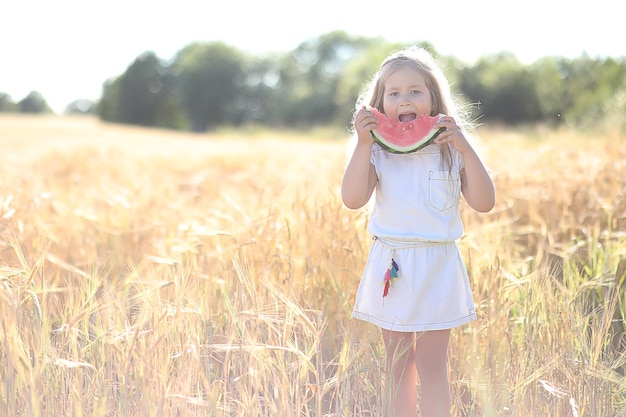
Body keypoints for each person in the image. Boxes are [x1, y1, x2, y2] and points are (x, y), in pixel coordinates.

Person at [341, 46, 495, 417]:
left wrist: (465, 147)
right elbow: (352, 198)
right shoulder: (377, 151)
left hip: (437, 264)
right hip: (391, 263)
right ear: (380, 103)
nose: (404, 100)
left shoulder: (450, 150)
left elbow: (484, 202)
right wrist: (364, 144)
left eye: (415, 92)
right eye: (394, 94)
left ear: (433, 98)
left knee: (432, 365)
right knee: (397, 366)